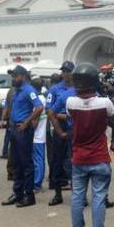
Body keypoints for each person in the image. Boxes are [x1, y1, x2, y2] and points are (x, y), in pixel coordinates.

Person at [64, 62, 114, 227]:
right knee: (98, 199)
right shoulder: (104, 103)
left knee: (77, 198)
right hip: (99, 157)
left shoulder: (70, 102)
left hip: (79, 158)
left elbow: (71, 117)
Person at [1, 65, 45, 207]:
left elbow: (39, 107)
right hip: (14, 128)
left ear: (24, 76)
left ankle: (29, 196)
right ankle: (17, 193)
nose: (13, 79)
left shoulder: (29, 90)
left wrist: (27, 122)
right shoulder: (16, 91)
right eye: (12, 76)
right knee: (16, 163)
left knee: (26, 163)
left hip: (23, 130)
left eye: (15, 76)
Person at [46, 61, 76, 206]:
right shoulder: (54, 89)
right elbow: (49, 110)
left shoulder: (78, 88)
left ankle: (77, 195)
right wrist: (61, 121)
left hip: (75, 126)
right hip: (59, 126)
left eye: (68, 71)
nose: (66, 74)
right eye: (63, 71)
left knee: (75, 161)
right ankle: (57, 194)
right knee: (56, 160)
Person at [31, 76, 49, 194]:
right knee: (39, 159)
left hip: (36, 135)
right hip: (41, 135)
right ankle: (37, 182)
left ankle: (37, 184)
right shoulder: (44, 98)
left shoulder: (37, 100)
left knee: (37, 160)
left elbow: (35, 120)